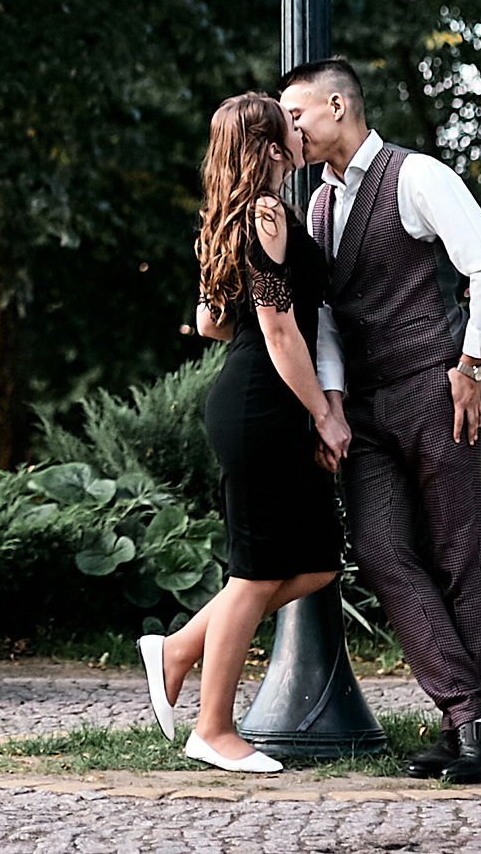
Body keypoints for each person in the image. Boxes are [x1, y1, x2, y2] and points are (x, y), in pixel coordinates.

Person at [280, 57, 481, 782]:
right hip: (363, 406)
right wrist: (329, 403)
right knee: (382, 550)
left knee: (457, 550)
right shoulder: (316, 205)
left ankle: (465, 722)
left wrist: (473, 362)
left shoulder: (416, 176)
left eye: (296, 114)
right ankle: (472, 712)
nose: (289, 128)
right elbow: (322, 316)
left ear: (335, 104)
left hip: (433, 386)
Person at [135, 92, 350, 773]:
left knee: (316, 558)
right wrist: (325, 411)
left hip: (258, 399)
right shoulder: (264, 214)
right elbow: (281, 330)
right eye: (287, 121)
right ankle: (213, 727)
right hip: (263, 405)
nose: (299, 125)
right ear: (267, 145)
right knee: (255, 573)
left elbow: (211, 321)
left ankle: (175, 649)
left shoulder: (232, 216)